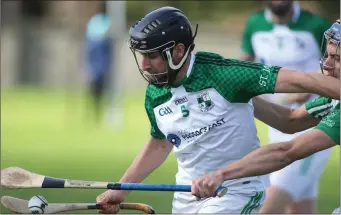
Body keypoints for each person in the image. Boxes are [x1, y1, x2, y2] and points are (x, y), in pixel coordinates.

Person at [95, 7, 340, 214]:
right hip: (188, 194)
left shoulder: (225, 74)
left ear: (178, 51)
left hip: (236, 190)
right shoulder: (156, 93)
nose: (144, 65)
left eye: (152, 56)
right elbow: (160, 144)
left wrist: (221, 174)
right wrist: (123, 187)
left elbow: (298, 89)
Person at [191, 19, 340, 212]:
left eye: (336, 58)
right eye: (327, 55)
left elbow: (286, 152)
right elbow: (291, 120)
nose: (326, 64)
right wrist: (238, 93)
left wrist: (221, 174)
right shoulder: (334, 99)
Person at [240, 0, 333, 213]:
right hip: (279, 123)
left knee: (270, 202)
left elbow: (334, 66)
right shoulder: (255, 24)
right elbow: (246, 62)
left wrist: (312, 87)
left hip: (316, 123)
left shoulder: (317, 25)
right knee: (301, 207)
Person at [84, 2, 113, 123]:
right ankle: (94, 113)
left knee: (102, 90)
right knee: (94, 91)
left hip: (102, 66)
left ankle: (99, 112)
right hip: (96, 66)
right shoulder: (94, 25)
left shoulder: (105, 24)